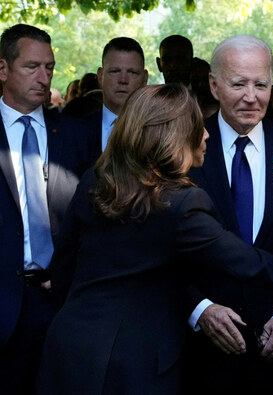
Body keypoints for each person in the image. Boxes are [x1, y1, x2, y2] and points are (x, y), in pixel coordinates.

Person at [35, 84, 273, 395]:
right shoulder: (181, 203)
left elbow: (63, 268)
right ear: (175, 136)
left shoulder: (97, 178)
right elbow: (255, 265)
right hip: (136, 362)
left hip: (69, 347)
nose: (208, 133)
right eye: (198, 126)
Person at [182, 35, 273, 395]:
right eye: (238, 84)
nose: (252, 96)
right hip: (202, 357)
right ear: (214, 85)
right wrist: (199, 309)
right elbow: (162, 250)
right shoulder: (185, 151)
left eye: (261, 84)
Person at [0, 23, 96, 394]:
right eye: (32, 67)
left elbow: (95, 214)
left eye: (50, 68)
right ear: (3, 69)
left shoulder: (76, 135)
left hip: (61, 300)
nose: (44, 77)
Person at [90, 37, 148, 154]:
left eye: (132, 72)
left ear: (144, 78)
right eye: (115, 71)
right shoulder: (77, 131)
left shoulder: (159, 131)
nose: (123, 80)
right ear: (101, 76)